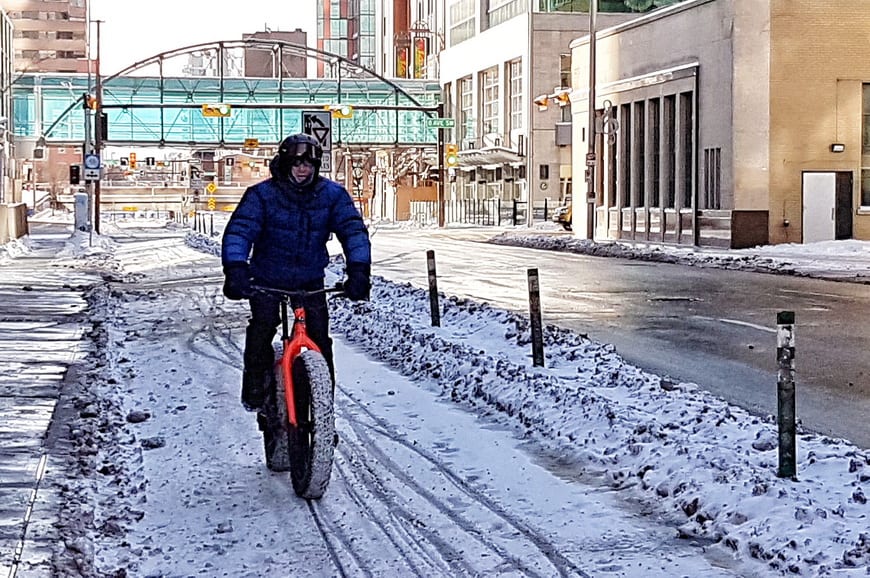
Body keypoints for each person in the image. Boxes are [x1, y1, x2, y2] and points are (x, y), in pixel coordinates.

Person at [221, 133, 371, 411]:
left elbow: (353, 232)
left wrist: (359, 270)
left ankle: (323, 407)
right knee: (262, 328)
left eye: (309, 164)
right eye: (297, 163)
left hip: (309, 279)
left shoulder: (332, 195)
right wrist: (236, 269)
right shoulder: (262, 196)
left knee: (320, 340)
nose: (303, 170)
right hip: (267, 278)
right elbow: (240, 232)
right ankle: (255, 389)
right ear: (286, 163)